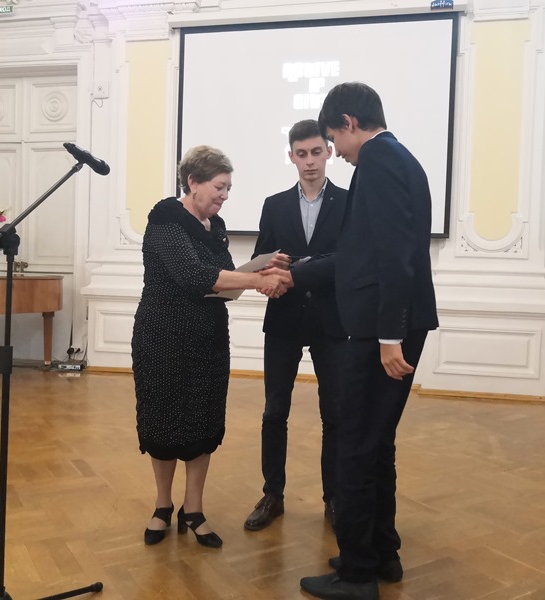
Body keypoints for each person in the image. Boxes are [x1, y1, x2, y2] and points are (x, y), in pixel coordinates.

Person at [285, 83, 439, 600]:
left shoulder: (378, 162)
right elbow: (364, 255)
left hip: (380, 331)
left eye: (333, 140)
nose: (336, 152)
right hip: (385, 326)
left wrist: (390, 337)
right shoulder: (396, 159)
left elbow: (395, 257)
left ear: (349, 123)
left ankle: (356, 574)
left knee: (354, 444)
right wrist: (296, 272)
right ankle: (380, 553)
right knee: (375, 444)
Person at [131, 145, 289, 550]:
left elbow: (223, 278)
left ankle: (194, 509)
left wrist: (258, 269)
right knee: (163, 420)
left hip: (209, 337)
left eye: (228, 188)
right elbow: (193, 275)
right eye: (220, 187)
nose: (225, 196)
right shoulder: (165, 218)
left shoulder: (215, 225)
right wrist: (258, 281)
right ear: (193, 182)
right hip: (163, 336)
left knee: (203, 421)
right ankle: (162, 505)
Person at [243, 120, 349, 532]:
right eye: (301, 154)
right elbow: (261, 259)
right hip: (284, 318)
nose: (309, 161)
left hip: (331, 319)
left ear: (329, 152)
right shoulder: (274, 205)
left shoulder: (348, 202)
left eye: (316, 152)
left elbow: (349, 260)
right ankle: (273, 494)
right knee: (274, 411)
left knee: (334, 413)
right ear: (290, 156)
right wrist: (269, 264)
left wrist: (301, 269)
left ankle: (334, 498)